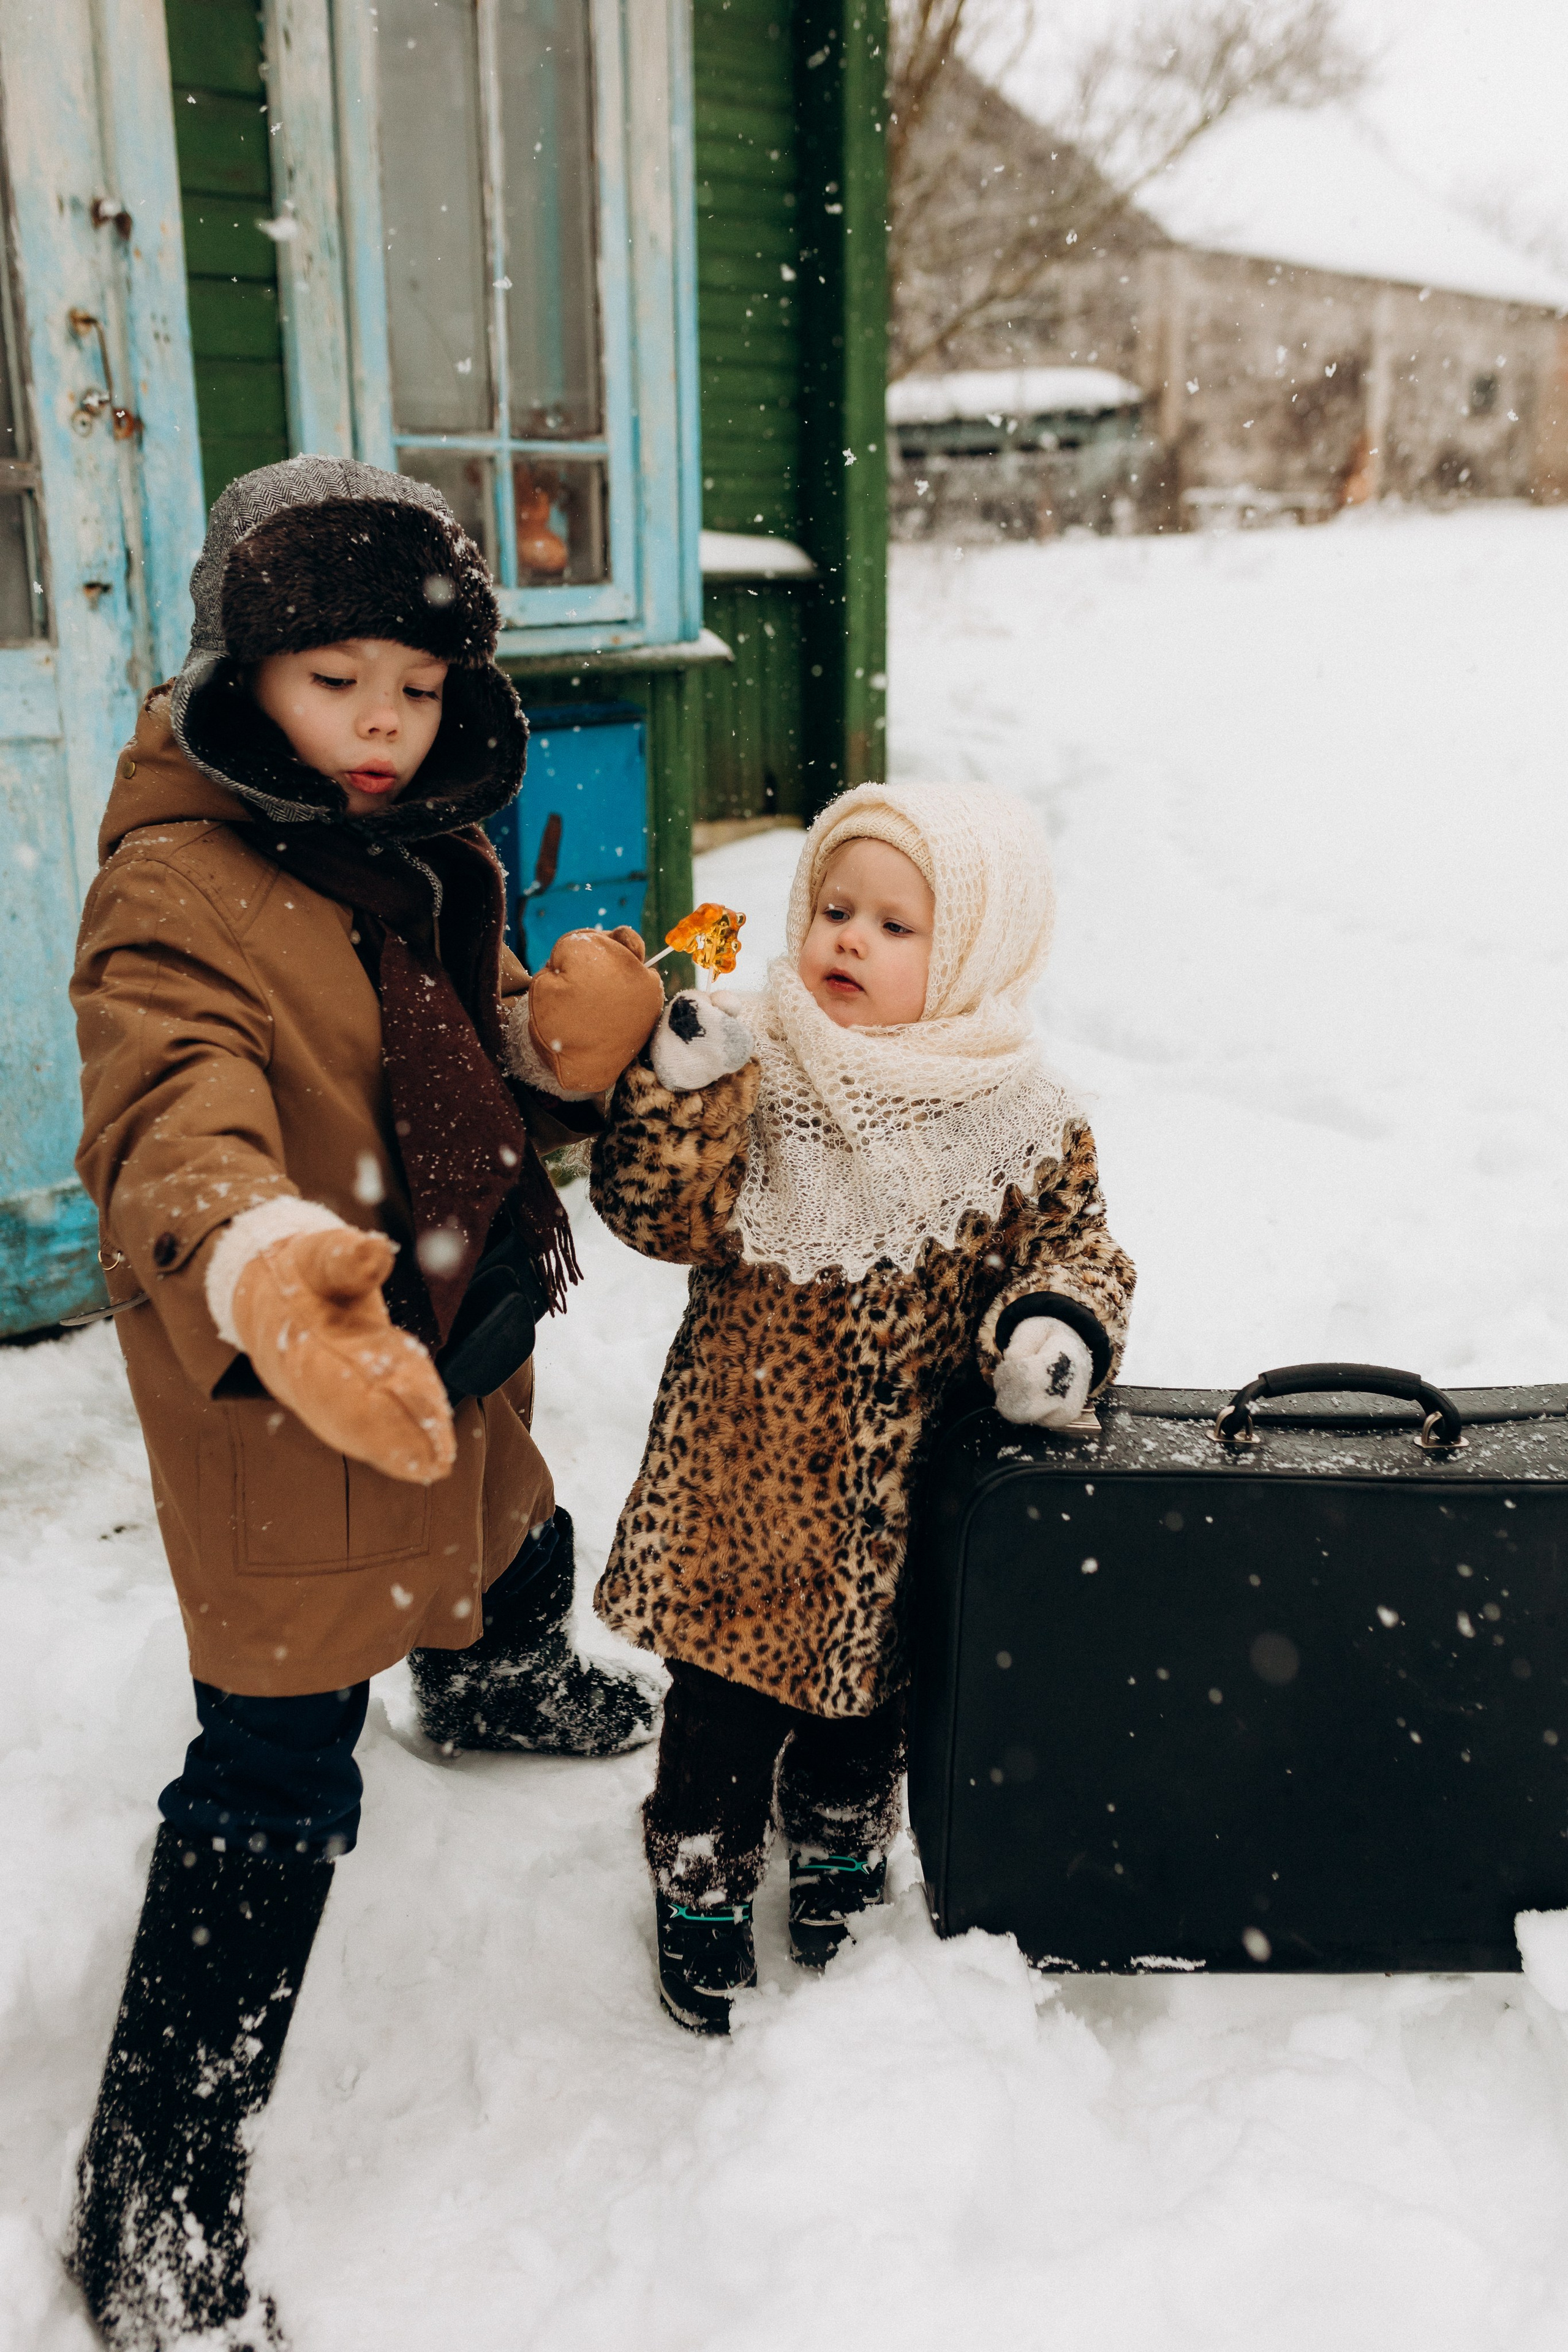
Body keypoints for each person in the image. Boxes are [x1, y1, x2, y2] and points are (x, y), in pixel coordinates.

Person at [66, 456, 665, 2347]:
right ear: (241, 676)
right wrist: (255, 1257)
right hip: (286, 1385)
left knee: (513, 1524)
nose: (383, 726)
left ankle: (494, 1679)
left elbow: (458, 1030)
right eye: (337, 683)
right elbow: (173, 1112)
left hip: (452, 1321)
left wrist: (564, 1050)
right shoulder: (176, 887)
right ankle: (153, 2207)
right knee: (272, 1780)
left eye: (413, 689)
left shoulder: (418, 848)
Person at [589, 780, 1136, 2033]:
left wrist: (1055, 1324)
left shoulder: (1021, 1115)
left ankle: (838, 1846)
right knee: (723, 1708)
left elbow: (1077, 1245)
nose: (847, 940)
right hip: (741, 1478)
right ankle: (701, 1877)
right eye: (834, 908)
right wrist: (682, 1094)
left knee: (874, 1700)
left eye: (897, 928)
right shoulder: (755, 1055)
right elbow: (656, 1220)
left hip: (908, 1486)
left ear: (976, 953)